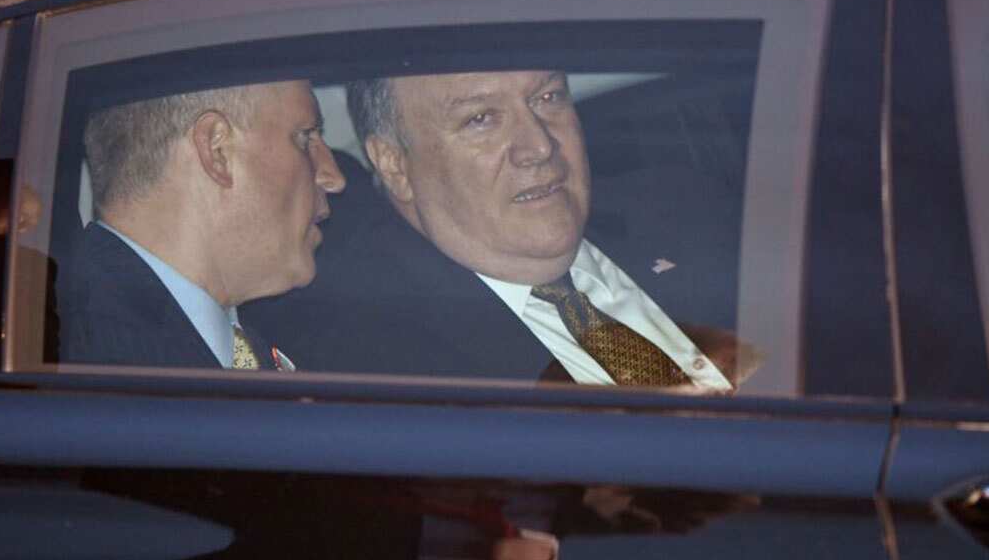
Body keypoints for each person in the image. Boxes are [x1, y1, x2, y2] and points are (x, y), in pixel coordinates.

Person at [245, 70, 760, 388]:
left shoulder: (688, 208)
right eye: (481, 119)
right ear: (394, 164)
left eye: (548, 98)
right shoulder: (366, 359)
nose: (539, 146)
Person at [59, 79, 345, 369]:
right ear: (216, 150)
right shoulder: (86, 357)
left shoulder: (95, 339)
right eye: (305, 138)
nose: (334, 178)